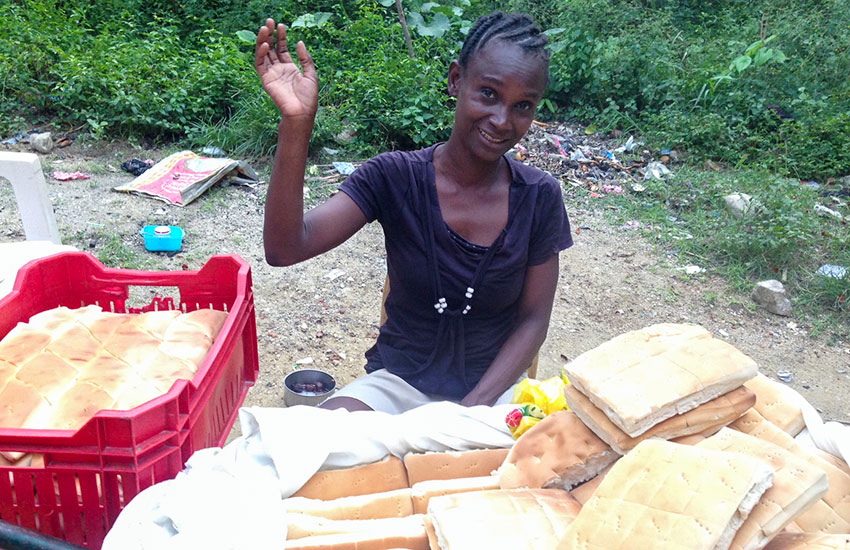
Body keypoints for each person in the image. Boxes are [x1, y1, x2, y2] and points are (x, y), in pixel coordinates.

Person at [255, 11, 573, 413]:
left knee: (545, 468)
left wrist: (471, 409)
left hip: (491, 397)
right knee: (313, 446)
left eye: (523, 105)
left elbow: (533, 320)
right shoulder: (395, 177)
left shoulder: (539, 197)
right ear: (457, 80)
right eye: (489, 94)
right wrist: (297, 123)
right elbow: (285, 249)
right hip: (397, 387)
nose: (502, 120)